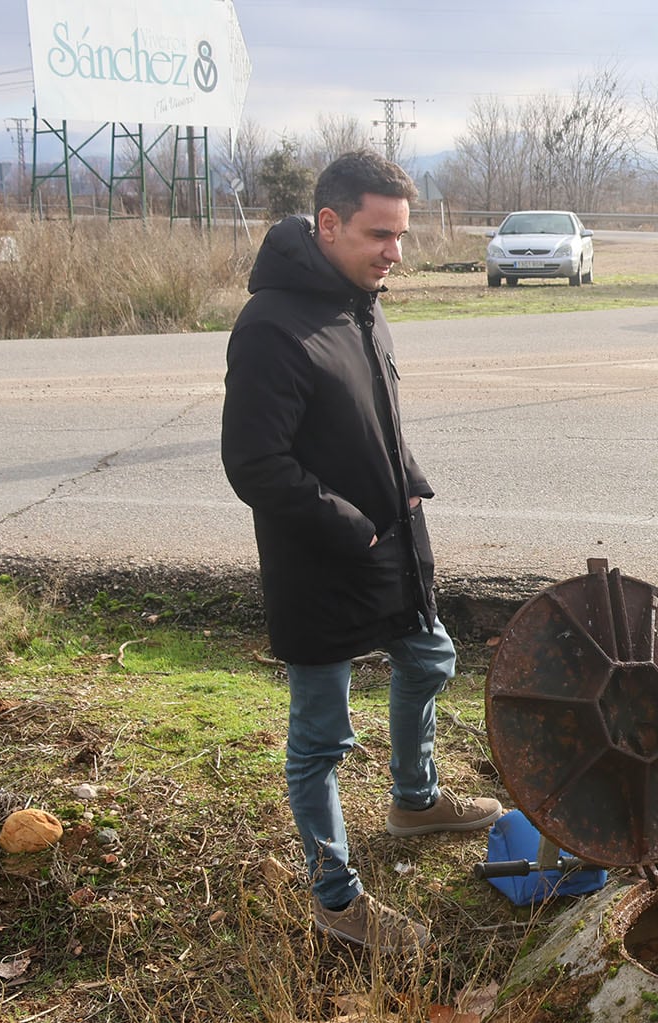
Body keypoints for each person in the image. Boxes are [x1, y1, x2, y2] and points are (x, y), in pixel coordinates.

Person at [222, 149, 502, 954]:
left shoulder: (362, 302)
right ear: (329, 224)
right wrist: (351, 526)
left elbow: (374, 414)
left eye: (402, 236)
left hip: (391, 539)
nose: (395, 253)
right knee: (321, 738)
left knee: (432, 657)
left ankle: (414, 801)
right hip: (320, 559)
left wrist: (406, 479)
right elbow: (256, 464)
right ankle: (335, 896)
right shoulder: (271, 325)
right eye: (381, 235)